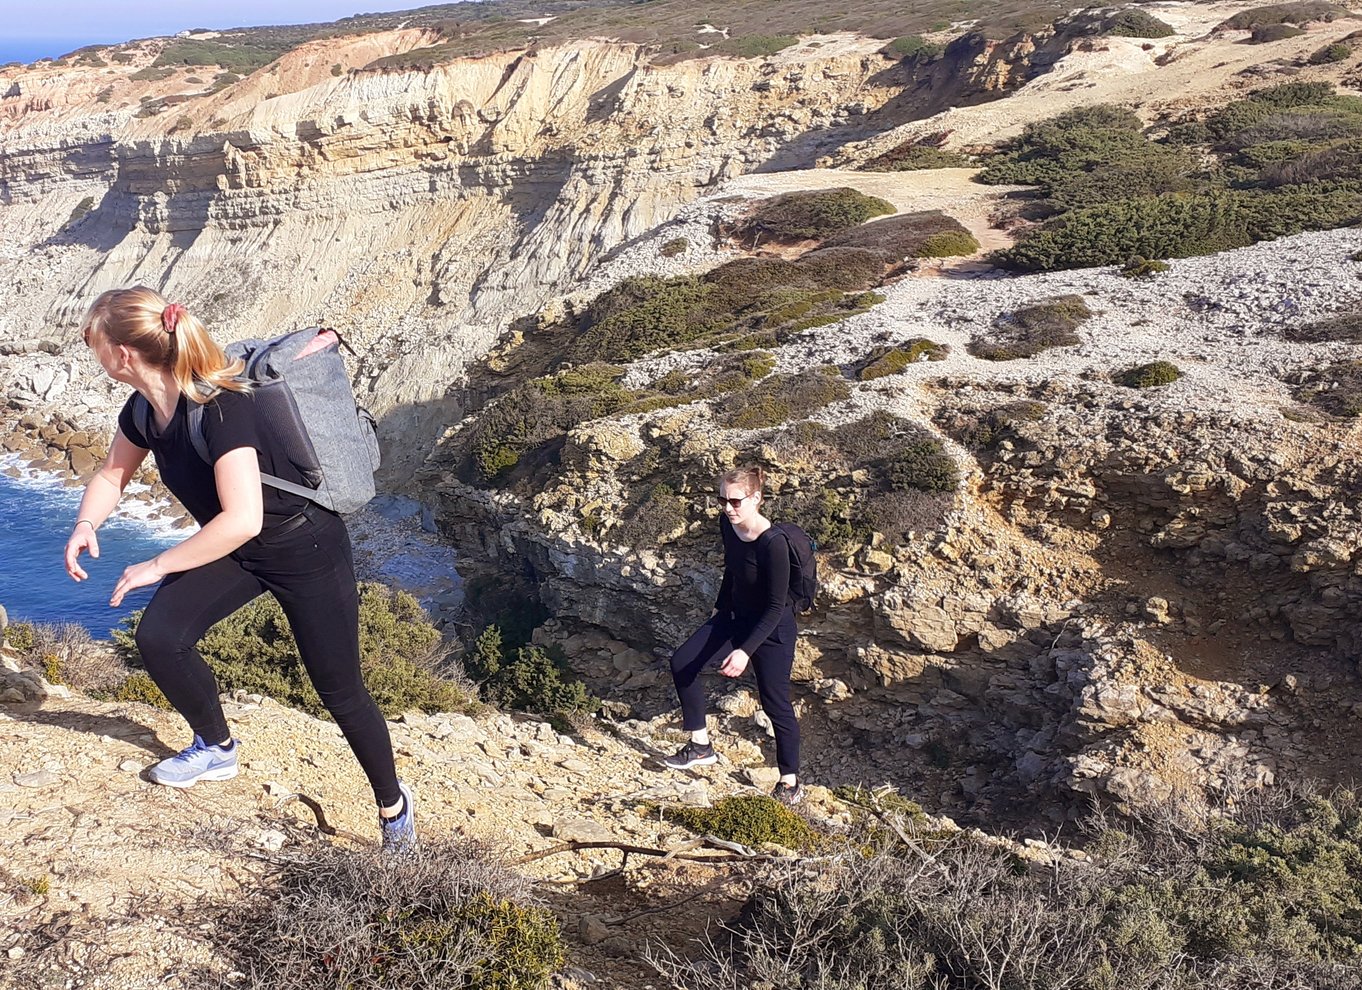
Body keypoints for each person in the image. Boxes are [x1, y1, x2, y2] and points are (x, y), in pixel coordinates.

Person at [63, 286, 416, 849]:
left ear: (123, 355)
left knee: (338, 688)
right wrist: (86, 525)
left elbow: (244, 517)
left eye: (95, 343)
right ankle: (215, 748)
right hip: (236, 552)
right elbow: (111, 474)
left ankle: (394, 807)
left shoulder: (221, 407)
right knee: (160, 636)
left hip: (305, 551)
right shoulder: (143, 412)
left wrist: (156, 564)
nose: (92, 352)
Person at [663, 465, 803, 805]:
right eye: (722, 499)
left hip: (772, 629)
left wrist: (744, 651)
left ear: (756, 499)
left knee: (775, 703)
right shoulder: (728, 525)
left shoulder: (774, 545)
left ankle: (789, 782)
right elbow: (733, 570)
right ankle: (700, 746)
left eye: (736, 501)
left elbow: (775, 606)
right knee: (682, 663)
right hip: (734, 616)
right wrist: (719, 609)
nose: (728, 507)